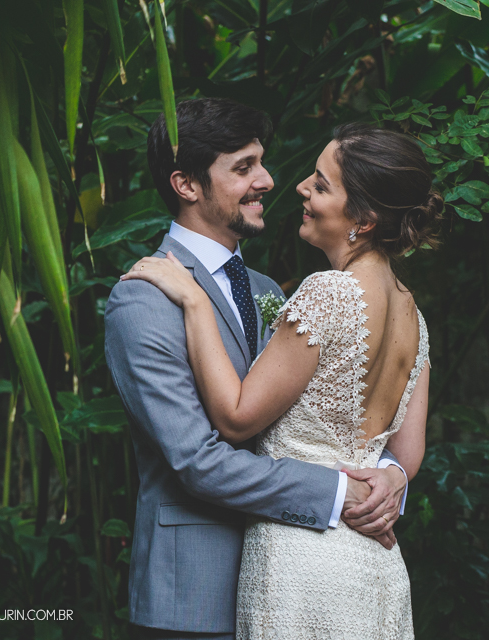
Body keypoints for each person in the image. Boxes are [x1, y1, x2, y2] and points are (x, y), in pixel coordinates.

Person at [105, 99, 413, 640]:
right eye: (243, 167)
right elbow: (197, 461)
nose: (268, 180)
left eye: (261, 163)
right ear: (187, 185)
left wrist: (390, 477)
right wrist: (342, 494)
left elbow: (325, 420)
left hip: (294, 576)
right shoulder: (145, 302)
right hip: (196, 595)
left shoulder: (271, 293)